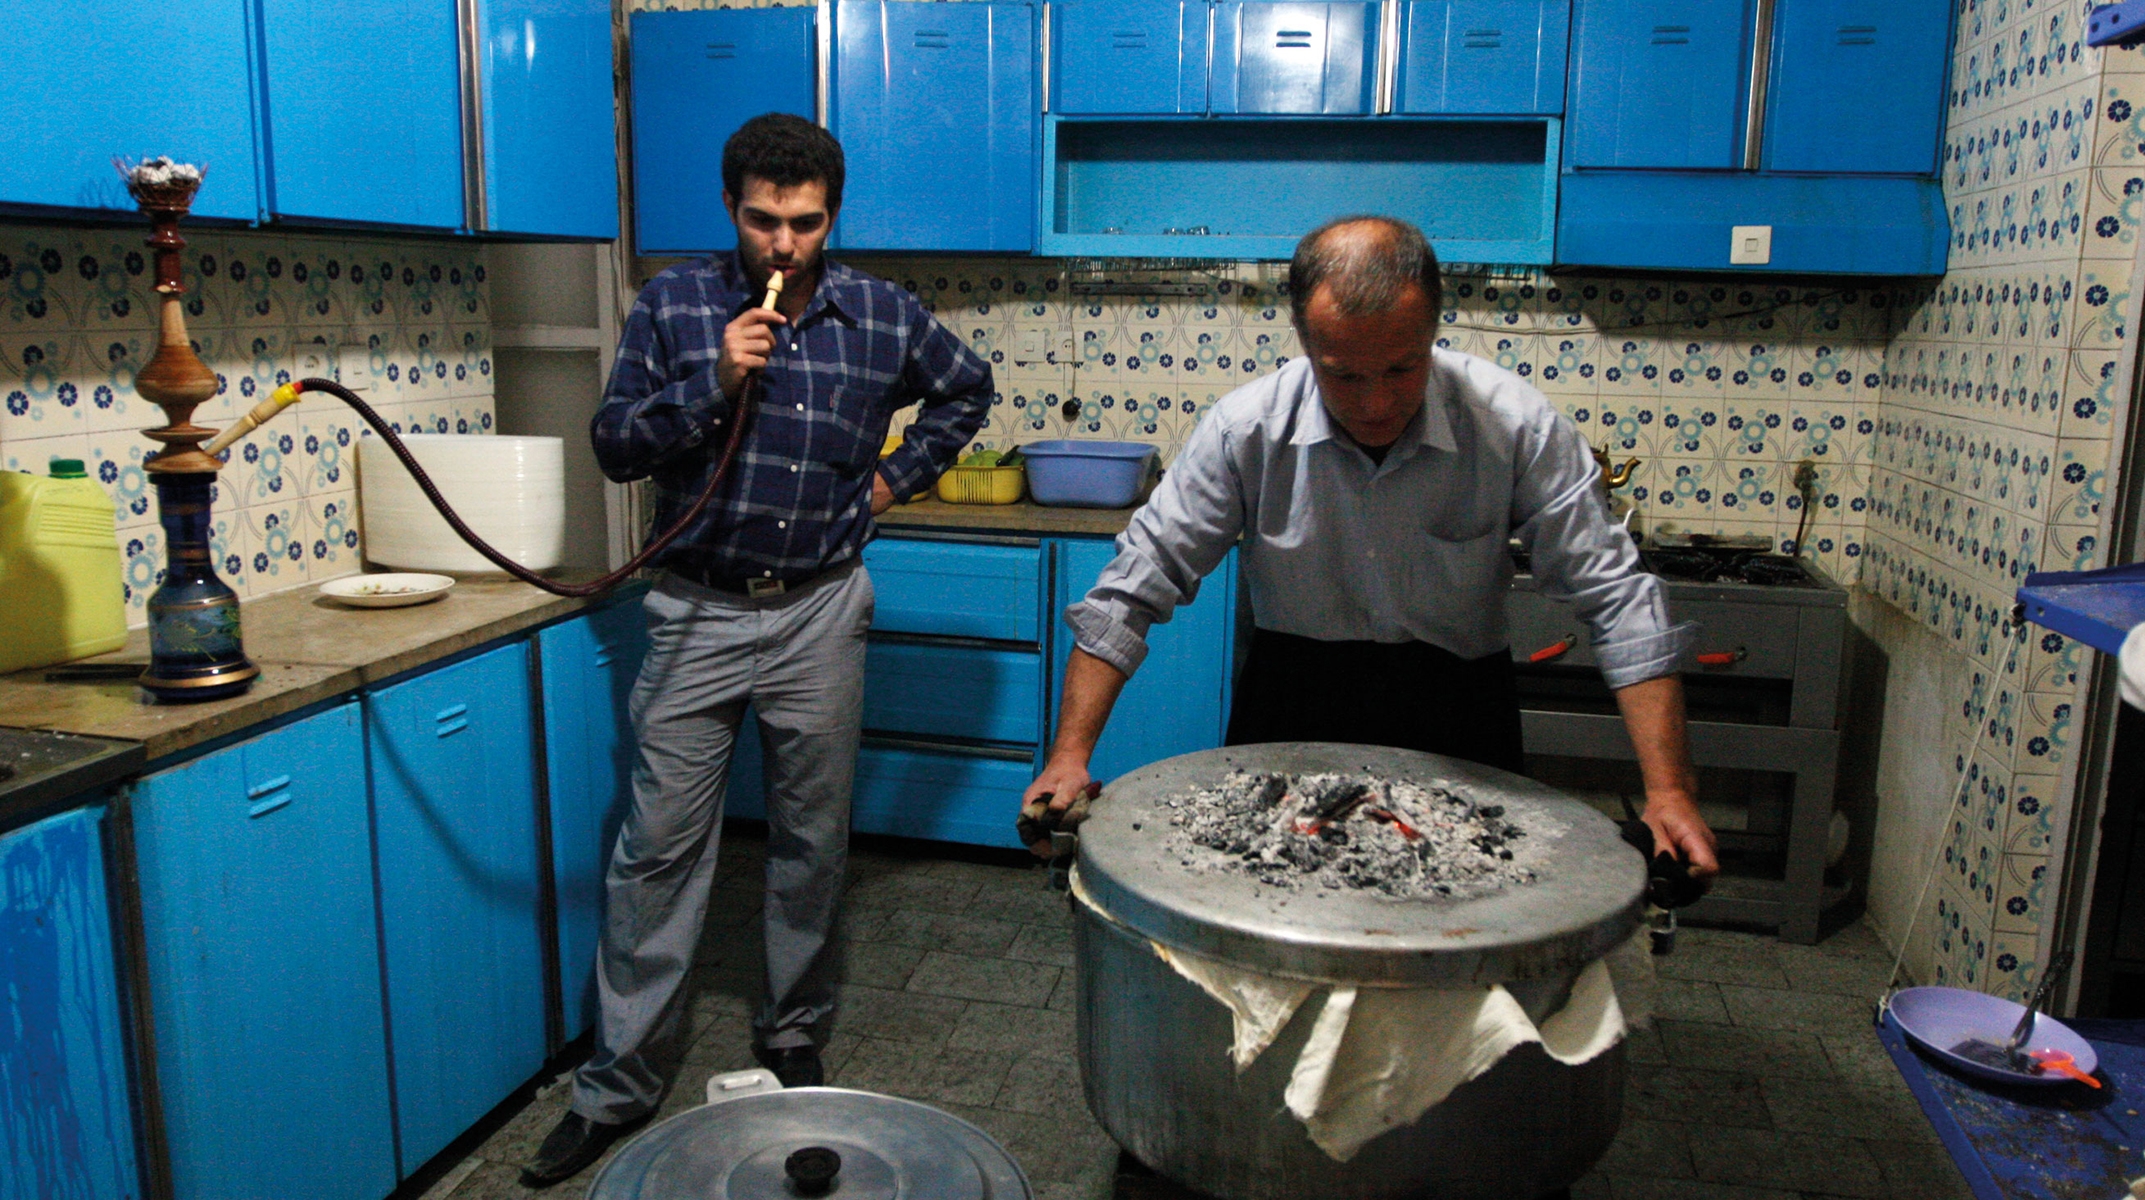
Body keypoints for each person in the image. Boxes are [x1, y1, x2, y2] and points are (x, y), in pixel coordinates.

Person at [522, 112, 994, 1187]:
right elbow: (614, 445)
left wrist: (886, 482)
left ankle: (792, 1035)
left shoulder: (879, 312)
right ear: (731, 209)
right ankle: (618, 1086)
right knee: (657, 851)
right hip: (693, 608)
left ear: (832, 217)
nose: (783, 247)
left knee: (811, 838)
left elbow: (966, 390)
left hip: (820, 609)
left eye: (805, 224)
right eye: (762, 221)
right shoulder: (676, 304)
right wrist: (715, 384)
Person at [1020, 215, 1721, 881]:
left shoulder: (1516, 427)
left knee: (1465, 924)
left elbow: (1620, 603)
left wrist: (1671, 791)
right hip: (1293, 700)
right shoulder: (1245, 431)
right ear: (1303, 341)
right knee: (1274, 912)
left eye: (1401, 369)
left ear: (1432, 331)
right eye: (1345, 375)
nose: (1377, 402)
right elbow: (1133, 591)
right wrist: (1069, 756)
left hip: (1459, 707)